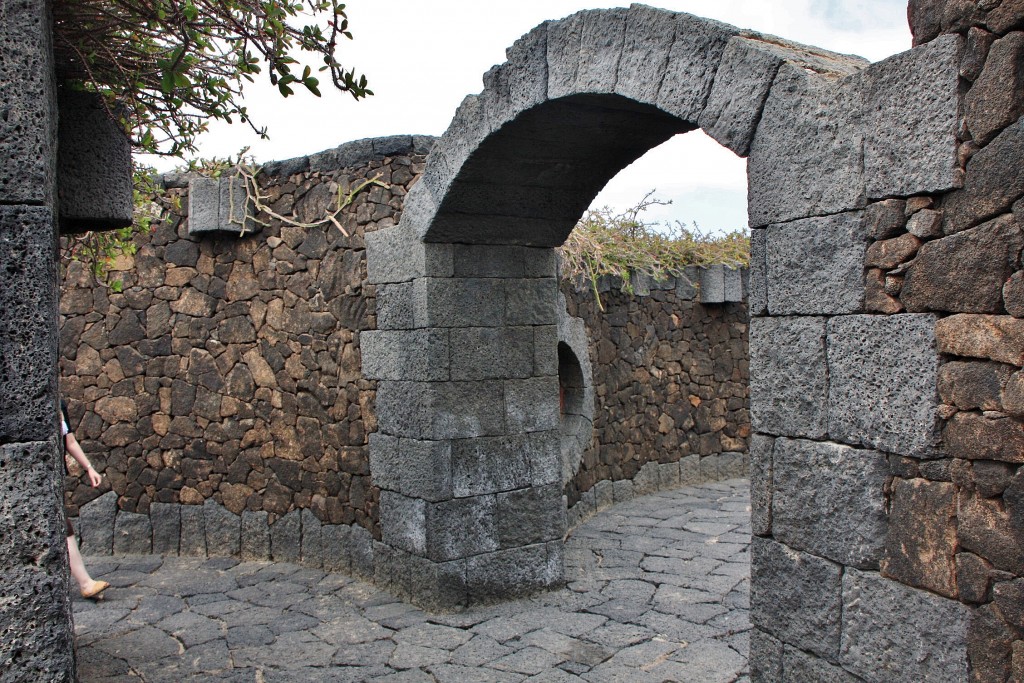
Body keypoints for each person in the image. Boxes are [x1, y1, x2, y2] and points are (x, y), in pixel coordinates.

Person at [60, 399, 109, 600]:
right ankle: (85, 583)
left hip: (50, 475)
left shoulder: (58, 403)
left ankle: (86, 583)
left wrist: (89, 468)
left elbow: (69, 441)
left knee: (63, 526)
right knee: (63, 526)